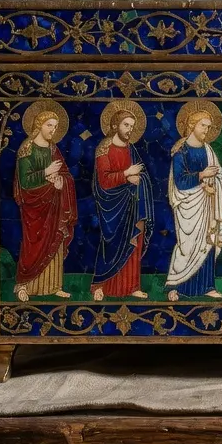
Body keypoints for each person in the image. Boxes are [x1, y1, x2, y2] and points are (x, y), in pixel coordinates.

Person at [13, 101, 77, 301]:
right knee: (33, 246)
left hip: (53, 205)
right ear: (39, 124)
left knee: (54, 241)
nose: (53, 130)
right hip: (34, 207)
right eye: (49, 125)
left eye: (55, 127)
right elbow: (25, 182)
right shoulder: (26, 148)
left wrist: (61, 182)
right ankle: (23, 285)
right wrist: (46, 172)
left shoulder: (53, 149)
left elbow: (66, 174)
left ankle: (54, 285)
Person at [91, 101, 153, 301]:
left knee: (133, 244)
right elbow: (104, 181)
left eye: (132, 126)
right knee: (111, 246)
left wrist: (138, 178)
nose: (129, 130)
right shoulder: (104, 149)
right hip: (113, 206)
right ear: (115, 125)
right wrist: (126, 175)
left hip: (133, 205)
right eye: (126, 125)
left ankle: (132, 286)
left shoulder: (130, 148)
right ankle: (100, 285)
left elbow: (142, 174)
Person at [166, 102, 222, 301]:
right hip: (189, 206)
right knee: (187, 247)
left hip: (208, 204)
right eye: (203, 126)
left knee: (207, 243)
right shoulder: (181, 151)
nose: (206, 130)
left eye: (209, 127)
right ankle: (175, 286)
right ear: (192, 125)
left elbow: (218, 175)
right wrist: (201, 176)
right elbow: (180, 181)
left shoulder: (208, 150)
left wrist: (212, 182)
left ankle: (207, 286)